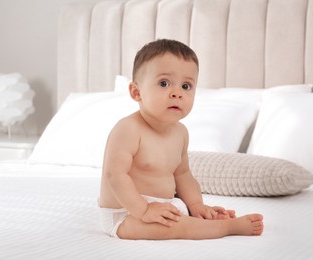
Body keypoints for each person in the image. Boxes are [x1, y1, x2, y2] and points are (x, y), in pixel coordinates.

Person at [98, 39, 264, 240]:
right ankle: (226, 228)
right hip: (125, 213)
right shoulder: (128, 129)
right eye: (164, 83)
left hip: (164, 207)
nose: (177, 93)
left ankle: (202, 218)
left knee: (179, 218)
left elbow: (183, 174)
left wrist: (196, 206)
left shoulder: (180, 133)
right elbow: (115, 175)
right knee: (177, 227)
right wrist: (144, 210)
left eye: (186, 86)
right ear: (136, 92)